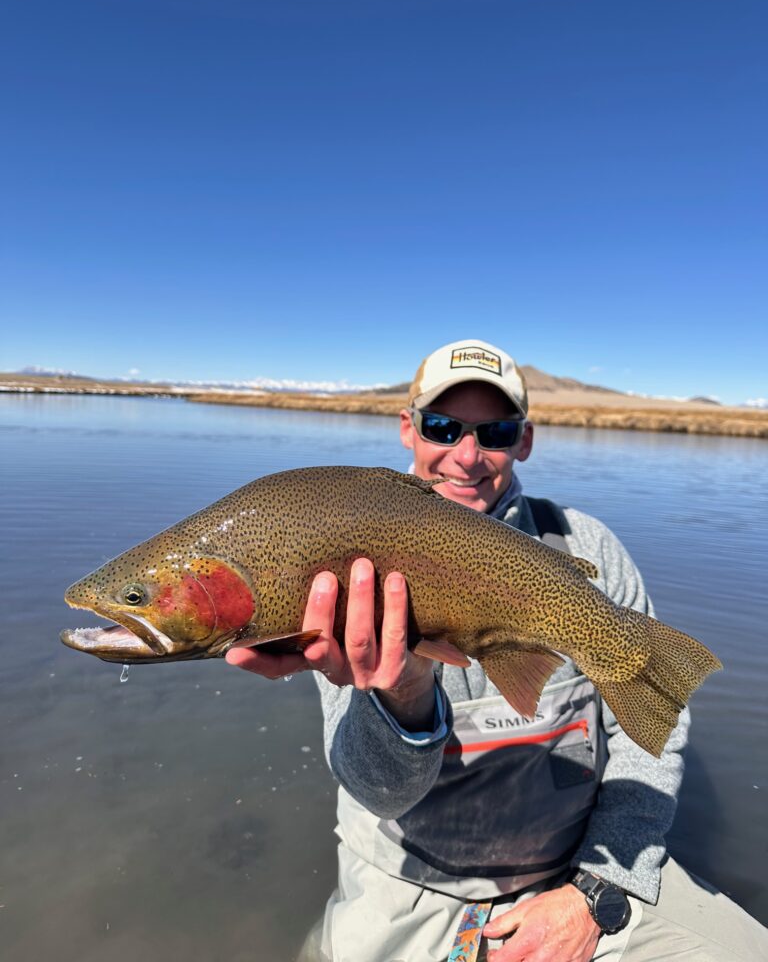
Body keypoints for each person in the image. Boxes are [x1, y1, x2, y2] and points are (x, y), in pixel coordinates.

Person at [226, 339, 767, 962]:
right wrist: (403, 696)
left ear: (524, 440)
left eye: (495, 432)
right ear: (407, 428)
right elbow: (378, 794)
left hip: (578, 869)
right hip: (415, 885)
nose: (466, 456)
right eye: (442, 427)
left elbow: (651, 738)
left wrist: (599, 889)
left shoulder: (585, 546)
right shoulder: (351, 556)